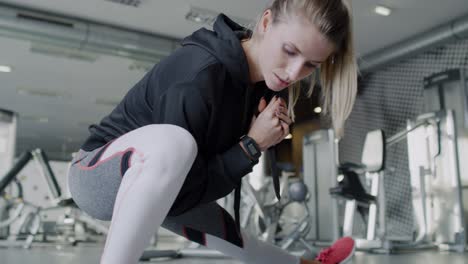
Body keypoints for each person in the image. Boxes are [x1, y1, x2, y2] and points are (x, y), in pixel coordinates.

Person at [67, 0, 358, 263]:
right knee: (174, 143)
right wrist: (251, 146)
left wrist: (248, 146)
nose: (294, 73)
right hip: (96, 176)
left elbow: (197, 185)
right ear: (266, 23)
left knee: (232, 235)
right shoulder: (200, 74)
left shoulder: (261, 87)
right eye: (290, 51)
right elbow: (179, 196)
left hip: (169, 184)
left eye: (310, 65)